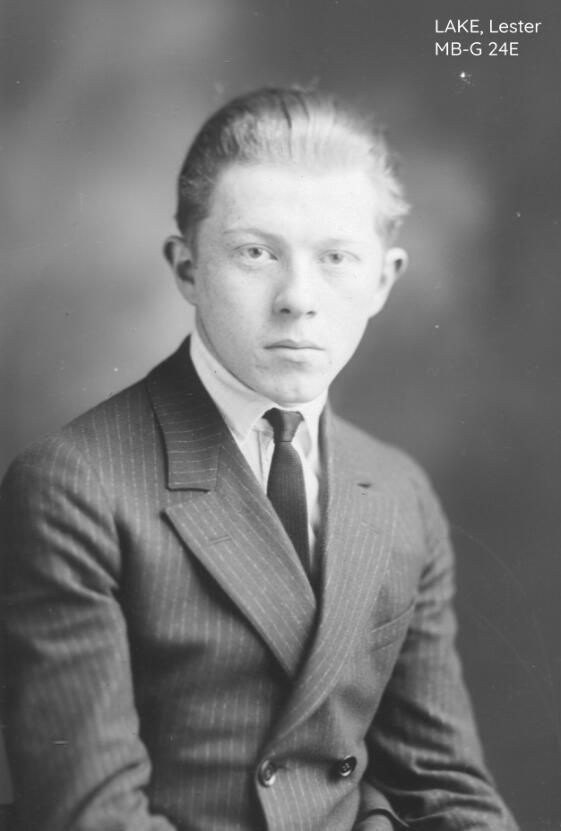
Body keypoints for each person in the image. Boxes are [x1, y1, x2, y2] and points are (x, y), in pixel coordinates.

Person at [0, 87, 518, 831]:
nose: (297, 298)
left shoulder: (398, 490)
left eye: (336, 257)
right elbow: (94, 816)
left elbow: (445, 789)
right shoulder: (75, 486)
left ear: (383, 279)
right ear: (187, 268)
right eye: (254, 252)